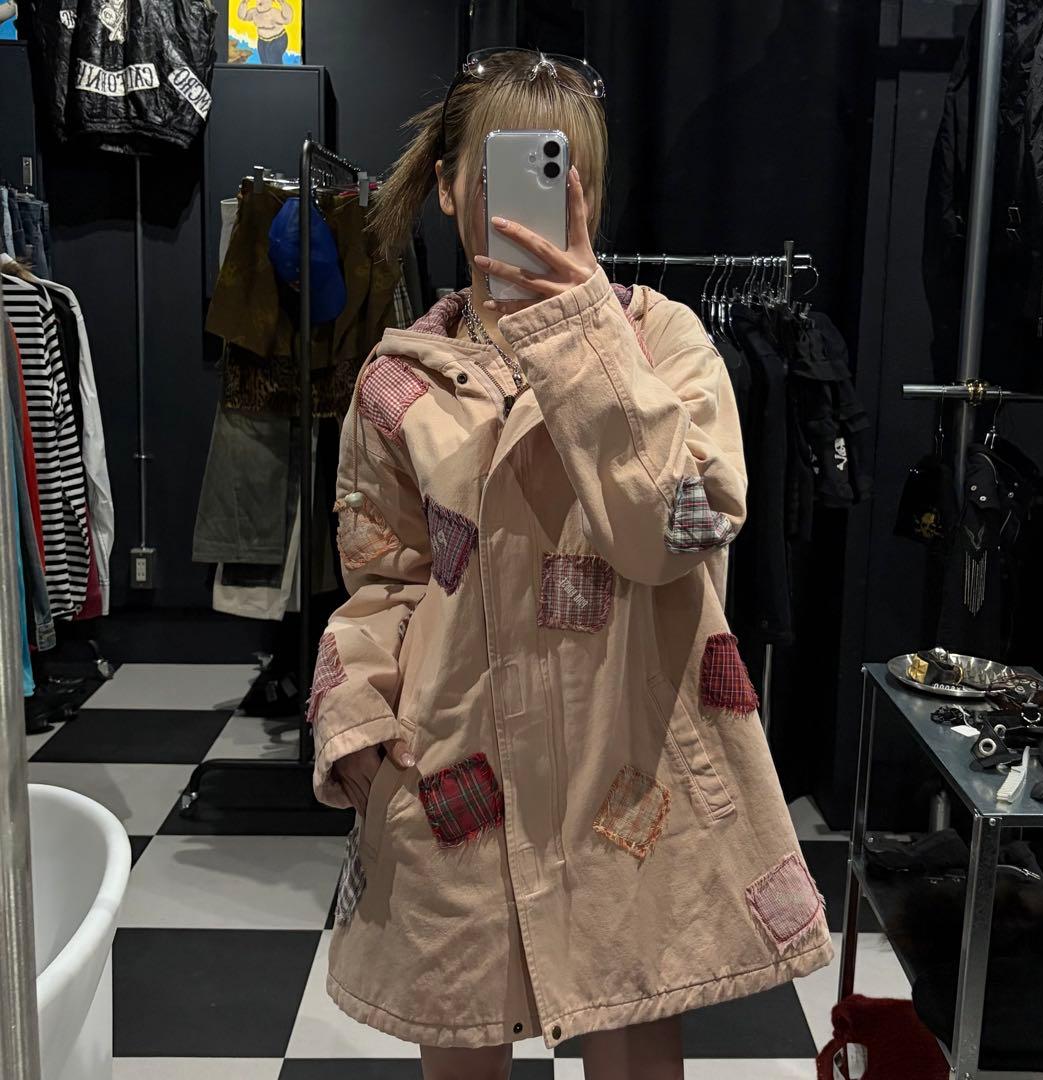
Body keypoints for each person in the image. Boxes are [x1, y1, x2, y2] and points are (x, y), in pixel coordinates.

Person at [308, 47, 833, 1080]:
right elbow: (385, 579)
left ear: (586, 189)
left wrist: (580, 326)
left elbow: (674, 534)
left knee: (634, 1024)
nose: (530, 202)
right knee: (461, 1022)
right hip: (458, 755)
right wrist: (355, 709)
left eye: (559, 170)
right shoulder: (398, 379)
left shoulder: (662, 342)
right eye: (501, 170)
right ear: (450, 184)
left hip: (626, 759)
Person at [236, 0, 292, 65]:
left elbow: (287, 19)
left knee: (274, 61)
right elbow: (242, 16)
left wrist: (282, 3)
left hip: (277, 40)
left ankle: (278, 71)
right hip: (262, 41)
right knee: (264, 61)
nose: (260, 1)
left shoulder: (274, 13)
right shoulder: (254, 12)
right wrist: (244, 2)